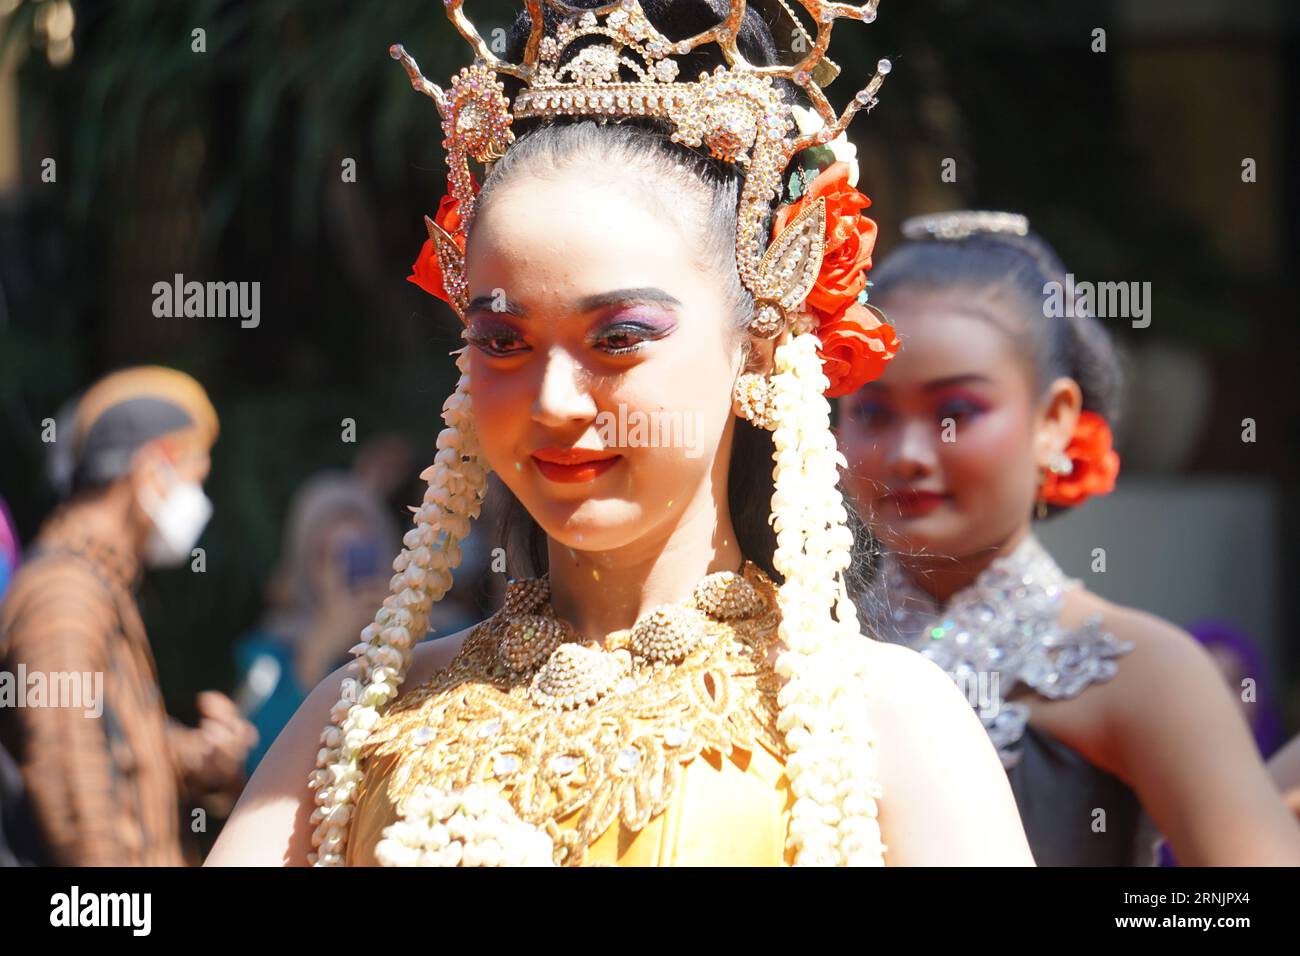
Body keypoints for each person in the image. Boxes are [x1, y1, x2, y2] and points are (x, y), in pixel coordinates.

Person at [206, 0, 1035, 866]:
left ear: (758, 343)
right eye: (503, 341)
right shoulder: (366, 719)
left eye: (620, 339)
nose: (556, 402)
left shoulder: (880, 723)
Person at [837, 211, 1300, 865]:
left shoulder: (1145, 672)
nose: (910, 453)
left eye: (957, 412)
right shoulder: (789, 645)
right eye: (873, 411)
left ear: (1054, 422)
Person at [0, 366, 257, 865]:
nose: (197, 502)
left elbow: (110, 743)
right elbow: (78, 801)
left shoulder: (96, 586)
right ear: (152, 468)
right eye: (194, 478)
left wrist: (195, 760)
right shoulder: (64, 599)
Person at [234, 472, 400, 772]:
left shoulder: (437, 634)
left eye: (358, 554)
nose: (341, 573)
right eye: (325, 556)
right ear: (304, 566)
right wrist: (313, 664)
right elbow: (256, 764)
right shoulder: (270, 656)